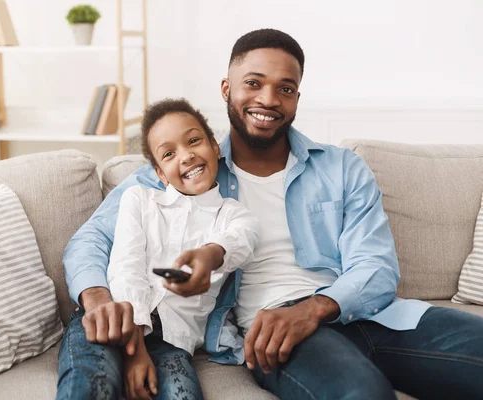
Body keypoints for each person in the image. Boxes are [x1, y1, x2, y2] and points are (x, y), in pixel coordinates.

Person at [58, 28, 483, 400]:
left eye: (286, 88)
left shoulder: (340, 167)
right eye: (254, 83)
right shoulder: (190, 169)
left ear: (297, 96)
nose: (268, 99)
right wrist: (98, 300)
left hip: (371, 315)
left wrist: (316, 307)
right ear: (227, 89)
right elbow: (90, 241)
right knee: (363, 393)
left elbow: (375, 265)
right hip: (277, 332)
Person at [106, 98, 259, 400]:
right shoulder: (140, 200)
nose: (186, 156)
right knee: (90, 386)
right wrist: (135, 351)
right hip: (117, 322)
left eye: (193, 141)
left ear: (215, 147)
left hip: (173, 342)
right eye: (169, 154)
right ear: (161, 173)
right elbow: (126, 267)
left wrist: (210, 255)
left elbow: (241, 240)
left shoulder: (234, 214)